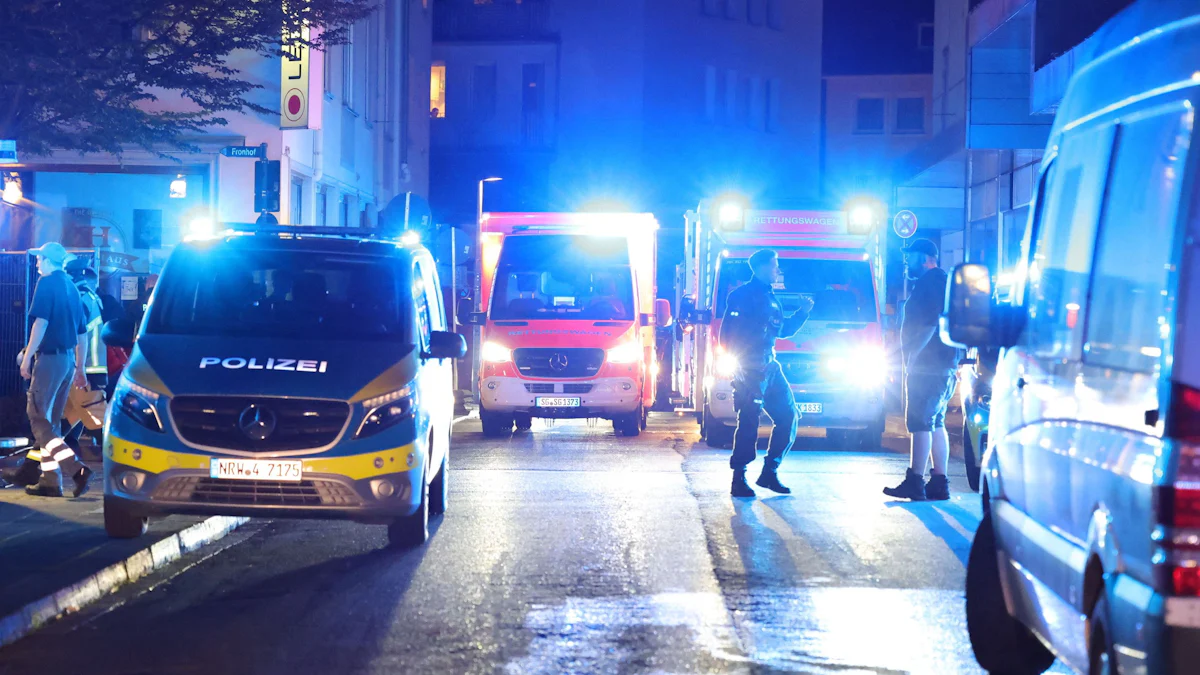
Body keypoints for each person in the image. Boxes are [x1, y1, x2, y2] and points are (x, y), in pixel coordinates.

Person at [0, 243, 93, 497]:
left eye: (39, 258)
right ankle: (51, 481)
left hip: (50, 360)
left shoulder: (47, 283)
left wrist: (27, 357)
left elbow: (40, 324)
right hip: (67, 362)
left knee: (38, 418)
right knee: (51, 422)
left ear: (50, 260)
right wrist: (80, 368)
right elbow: (82, 334)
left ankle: (76, 470)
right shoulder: (73, 288)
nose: (37, 262)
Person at [720, 249, 814, 498]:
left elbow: (781, 330)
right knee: (749, 421)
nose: (777, 270)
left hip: (770, 366)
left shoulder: (772, 297)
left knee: (789, 416)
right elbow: (726, 336)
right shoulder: (741, 296)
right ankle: (738, 477)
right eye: (774, 265)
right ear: (761, 267)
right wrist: (739, 367)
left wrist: (803, 312)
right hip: (749, 369)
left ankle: (769, 472)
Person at [884, 238, 961, 501]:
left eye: (911, 256)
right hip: (943, 366)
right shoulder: (944, 282)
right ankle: (939, 482)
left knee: (919, 422)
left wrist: (912, 358)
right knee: (934, 422)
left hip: (928, 367)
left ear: (927, 258)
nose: (907, 261)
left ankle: (915, 481)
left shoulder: (931, 284)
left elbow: (929, 325)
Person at [63, 260, 107, 451]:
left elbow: (75, 336)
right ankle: (31, 467)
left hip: (84, 372)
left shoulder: (79, 299)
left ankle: (129, 462)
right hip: (89, 370)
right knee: (58, 424)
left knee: (98, 423)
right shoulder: (92, 297)